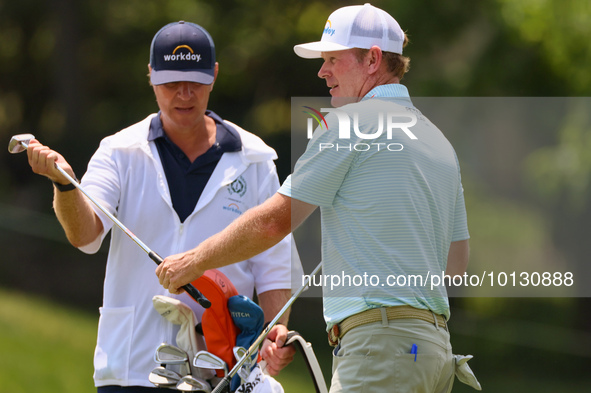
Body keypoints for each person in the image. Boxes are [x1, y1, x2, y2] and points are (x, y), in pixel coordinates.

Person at [156, 4, 480, 393]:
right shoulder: (438, 141)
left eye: (332, 60)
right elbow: (455, 266)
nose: (322, 72)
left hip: (379, 350)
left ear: (373, 59)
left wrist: (194, 261)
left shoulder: (348, 124)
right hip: (433, 352)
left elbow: (274, 222)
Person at [26, 21, 300, 392]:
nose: (184, 95)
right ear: (151, 76)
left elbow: (274, 271)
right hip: (131, 366)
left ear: (214, 75)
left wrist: (271, 337)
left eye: (196, 82)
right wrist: (64, 185)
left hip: (219, 371)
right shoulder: (119, 151)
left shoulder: (254, 159)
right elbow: (85, 235)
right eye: (171, 82)